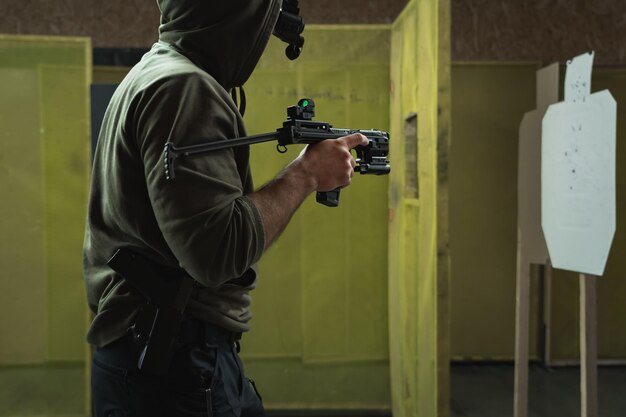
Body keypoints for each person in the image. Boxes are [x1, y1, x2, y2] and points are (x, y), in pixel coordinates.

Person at [83, 0, 369, 416]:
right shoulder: (184, 87)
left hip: (153, 359)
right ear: (237, 16)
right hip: (172, 366)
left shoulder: (153, 72)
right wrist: (306, 175)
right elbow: (217, 252)